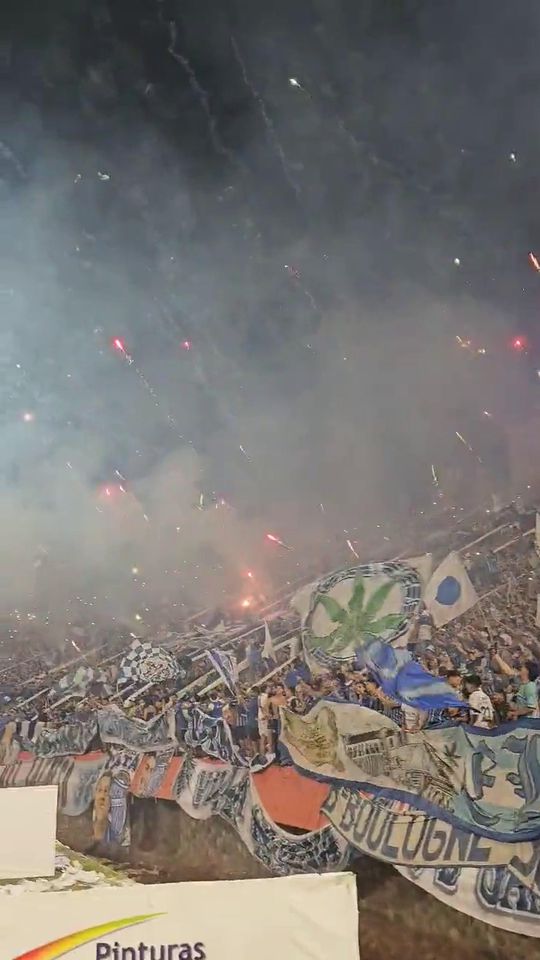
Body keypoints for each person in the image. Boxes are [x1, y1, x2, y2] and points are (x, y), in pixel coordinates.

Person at [492, 654, 540, 719]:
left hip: (528, 722)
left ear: (527, 671)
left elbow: (531, 708)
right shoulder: (523, 684)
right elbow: (507, 671)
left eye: (523, 667)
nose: (520, 668)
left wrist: (514, 713)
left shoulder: (530, 686)